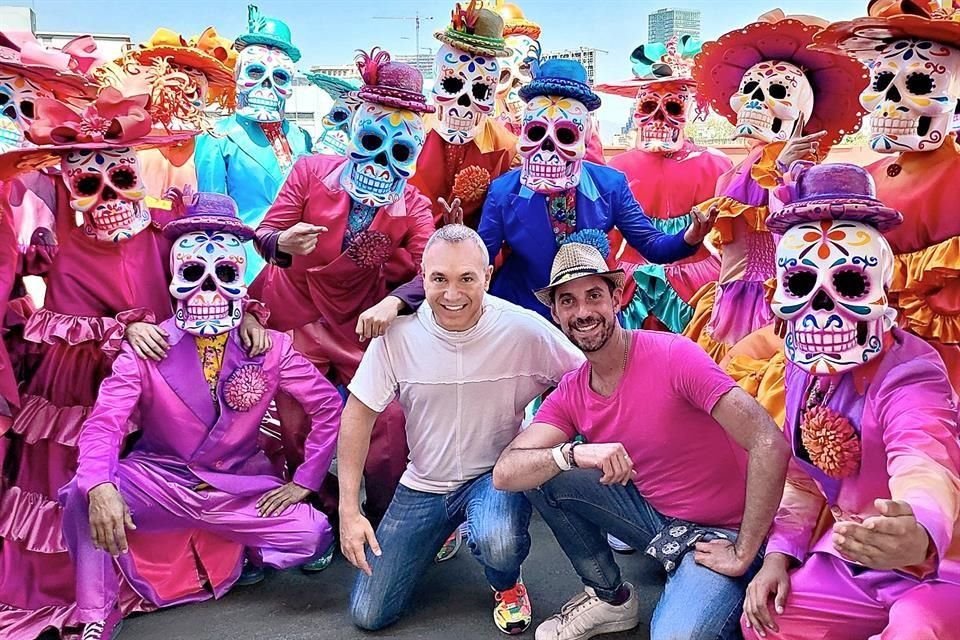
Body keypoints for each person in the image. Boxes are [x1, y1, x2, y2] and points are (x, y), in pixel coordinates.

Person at [59, 191, 341, 639]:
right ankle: (96, 611)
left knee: (311, 535)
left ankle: (238, 549)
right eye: (193, 274)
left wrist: (303, 481)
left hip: (238, 486)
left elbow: (328, 407)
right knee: (80, 493)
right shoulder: (147, 349)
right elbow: (105, 421)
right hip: (161, 480)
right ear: (174, 278)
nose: (209, 289)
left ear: (241, 282)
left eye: (226, 274)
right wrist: (100, 483)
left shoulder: (268, 348)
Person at [493, 242, 790, 640]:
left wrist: (744, 551)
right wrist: (574, 452)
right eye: (568, 301)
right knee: (546, 471)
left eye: (593, 296)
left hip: (725, 532)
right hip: (658, 519)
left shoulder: (673, 356)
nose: (582, 312)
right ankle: (610, 599)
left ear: (617, 298)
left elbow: (768, 441)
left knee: (674, 636)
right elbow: (506, 472)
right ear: (557, 314)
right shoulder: (572, 391)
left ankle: (711, 588)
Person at [737, 161, 960, 639]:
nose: (821, 307)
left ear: (881, 290)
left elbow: (924, 455)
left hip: (941, 567)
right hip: (851, 564)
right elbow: (803, 481)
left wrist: (918, 529)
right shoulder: (799, 370)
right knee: (764, 622)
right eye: (800, 285)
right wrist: (778, 556)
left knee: (916, 628)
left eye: (850, 284)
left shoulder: (911, 372)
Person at [339, 224, 584, 635]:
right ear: (423, 276)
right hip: (424, 482)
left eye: (467, 278)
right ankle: (445, 527)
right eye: (439, 279)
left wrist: (549, 440)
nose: (452, 294)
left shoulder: (523, 329)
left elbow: (584, 380)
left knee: (497, 540)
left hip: (494, 476)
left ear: (487, 277)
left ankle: (506, 584)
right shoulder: (398, 335)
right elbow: (358, 412)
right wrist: (349, 509)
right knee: (369, 614)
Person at [250, 49, 435, 527]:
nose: (381, 161)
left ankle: (387, 514)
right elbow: (267, 232)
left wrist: (396, 301)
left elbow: (429, 269)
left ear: (413, 158)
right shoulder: (311, 171)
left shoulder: (413, 204)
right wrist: (283, 243)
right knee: (294, 417)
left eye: (400, 152)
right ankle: (318, 508)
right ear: (355, 130)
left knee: (387, 419)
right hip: (295, 312)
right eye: (372, 140)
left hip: (359, 323)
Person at [682, 9, 867, 363]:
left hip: (772, 299)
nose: (754, 102)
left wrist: (785, 172)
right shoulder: (736, 169)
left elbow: (799, 236)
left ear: (801, 111)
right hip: (730, 295)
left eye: (777, 92)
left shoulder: (800, 170)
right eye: (748, 89)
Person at [596, 35, 731, 333]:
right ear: (636, 111)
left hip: (695, 282)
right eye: (648, 105)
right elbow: (608, 240)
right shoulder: (616, 169)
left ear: (689, 111)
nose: (659, 117)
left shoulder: (717, 165)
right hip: (633, 284)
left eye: (672, 107)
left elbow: (728, 236)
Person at [195, 4, 312, 282]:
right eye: (256, 73)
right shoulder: (216, 137)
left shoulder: (301, 137)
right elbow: (213, 222)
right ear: (238, 78)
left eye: (280, 77)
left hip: (302, 269)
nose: (267, 86)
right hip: (247, 266)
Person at [412, 0, 517, 228]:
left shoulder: (507, 148)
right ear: (436, 81)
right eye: (452, 84)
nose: (463, 101)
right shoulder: (410, 131)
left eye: (480, 90)